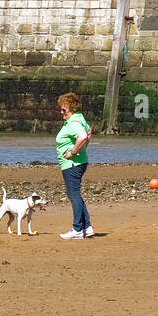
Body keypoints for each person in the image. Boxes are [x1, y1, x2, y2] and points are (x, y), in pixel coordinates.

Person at [56, 92, 93, 239]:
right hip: (79, 162)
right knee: (74, 194)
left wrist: (73, 151)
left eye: (64, 110)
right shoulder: (79, 118)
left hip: (72, 164)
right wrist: (82, 149)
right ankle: (87, 227)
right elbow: (89, 132)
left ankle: (77, 229)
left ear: (72, 108)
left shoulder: (73, 122)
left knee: (74, 195)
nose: (61, 112)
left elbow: (83, 136)